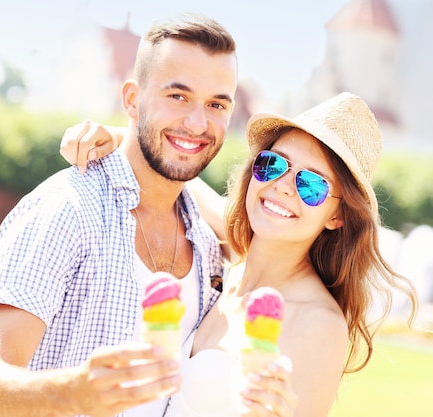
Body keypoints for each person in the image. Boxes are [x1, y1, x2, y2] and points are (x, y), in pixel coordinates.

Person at [0, 13, 292, 417]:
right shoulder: (67, 209)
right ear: (132, 99)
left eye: (216, 104)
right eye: (178, 96)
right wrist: (70, 393)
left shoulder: (207, 246)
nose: (197, 123)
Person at [60, 92, 419, 416]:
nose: (281, 186)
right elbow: (181, 179)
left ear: (338, 215)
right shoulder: (231, 257)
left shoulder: (318, 323)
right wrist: (115, 137)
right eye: (273, 164)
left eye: (312, 184)